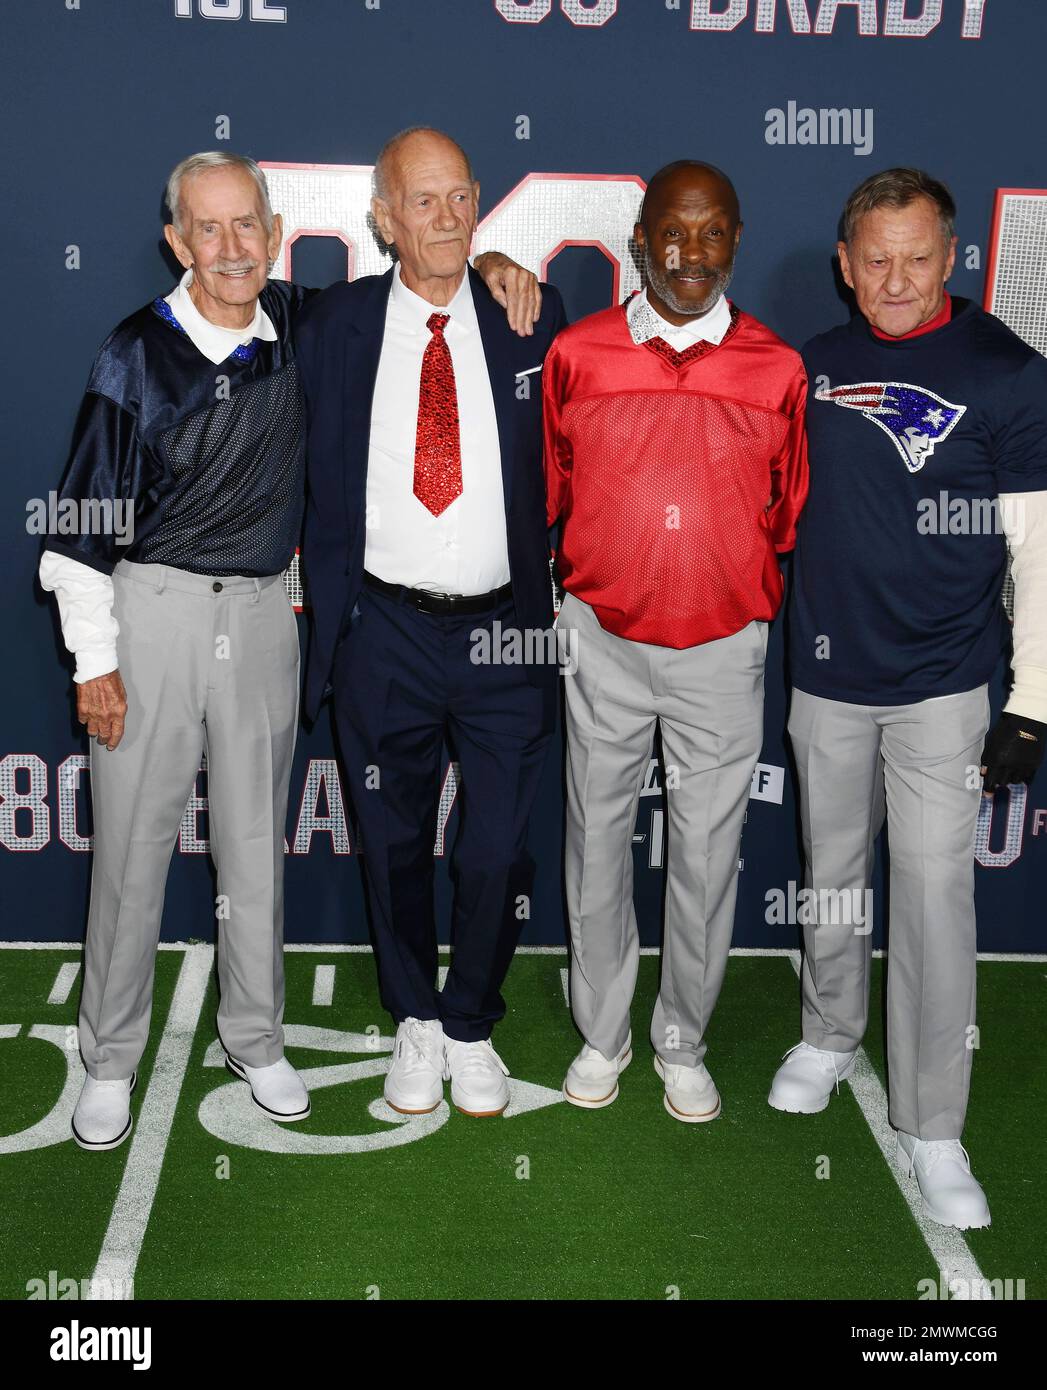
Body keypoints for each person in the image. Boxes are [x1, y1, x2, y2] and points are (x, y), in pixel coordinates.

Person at [39, 149, 539, 1149]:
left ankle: (255, 1038)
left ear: (274, 233)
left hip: (271, 616)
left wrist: (489, 270)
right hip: (155, 612)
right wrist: (94, 660)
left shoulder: (305, 328)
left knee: (252, 856)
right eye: (206, 229)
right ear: (177, 241)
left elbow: (427, 288)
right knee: (131, 855)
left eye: (246, 227)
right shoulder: (133, 352)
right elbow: (77, 524)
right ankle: (107, 1057)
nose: (230, 248)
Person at [769, 168, 1047, 1229]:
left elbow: (1040, 555)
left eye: (917, 257)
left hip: (944, 686)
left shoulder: (1012, 376)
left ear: (955, 257)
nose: (895, 279)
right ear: (844, 265)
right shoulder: (812, 365)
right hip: (828, 676)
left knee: (934, 895)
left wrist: (1032, 701)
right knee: (831, 873)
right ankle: (831, 1033)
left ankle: (934, 1125)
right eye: (874, 259)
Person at [296, 127, 566, 1120]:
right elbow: (226, 301)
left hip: (506, 631)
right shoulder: (335, 323)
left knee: (496, 848)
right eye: (423, 201)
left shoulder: (529, 316)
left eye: (461, 198)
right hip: (385, 634)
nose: (447, 218)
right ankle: (414, 1015)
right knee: (393, 840)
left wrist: (497, 269)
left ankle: (470, 1021)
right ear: (382, 218)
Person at [543, 160, 808, 1121]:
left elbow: (785, 515)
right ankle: (602, 1033)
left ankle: (681, 1039)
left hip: (720, 650)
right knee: (596, 842)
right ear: (639, 237)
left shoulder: (777, 369)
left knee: (704, 856)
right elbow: (556, 490)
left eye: (711, 233)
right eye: (671, 231)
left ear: (736, 238)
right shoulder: (579, 353)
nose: (689, 254)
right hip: (603, 641)